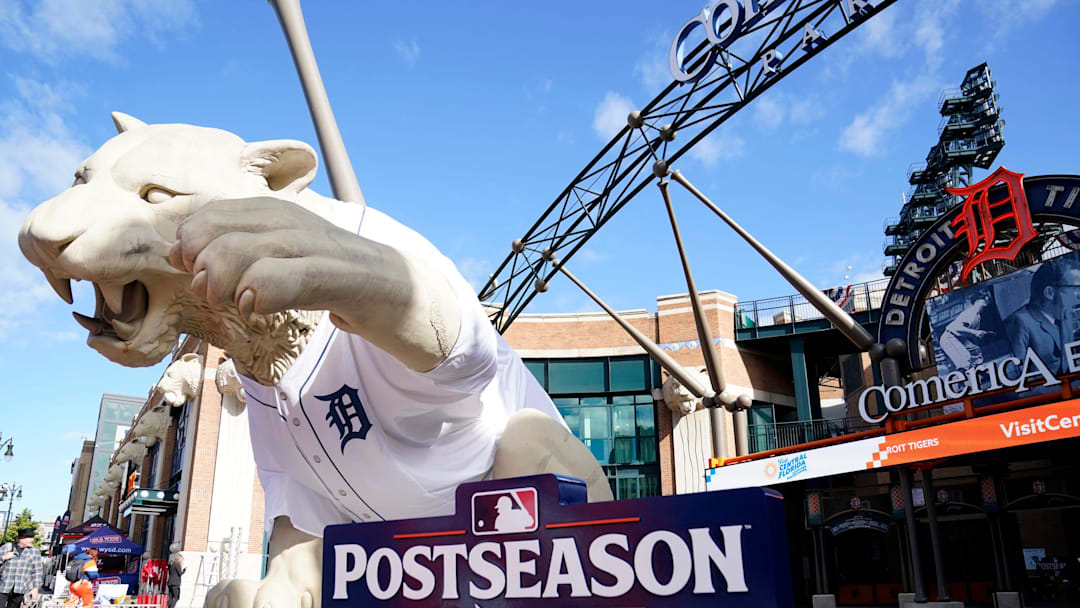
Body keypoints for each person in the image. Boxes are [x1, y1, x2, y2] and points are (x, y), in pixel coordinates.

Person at [1006, 264, 1080, 375]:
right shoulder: (1020, 321)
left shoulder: (1065, 314)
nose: (1076, 299)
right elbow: (1022, 375)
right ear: (1050, 293)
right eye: (1074, 290)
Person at [939, 290, 994, 370]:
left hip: (959, 338)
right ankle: (960, 381)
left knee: (976, 352)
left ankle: (981, 373)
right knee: (965, 359)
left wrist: (978, 335)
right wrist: (975, 332)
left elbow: (970, 334)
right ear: (977, 301)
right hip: (949, 337)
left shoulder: (978, 316)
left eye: (988, 299)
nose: (987, 301)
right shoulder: (971, 312)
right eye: (984, 298)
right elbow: (957, 328)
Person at [0, 528, 42, 608]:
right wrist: (3, 558)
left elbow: (37, 572)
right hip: (3, 586)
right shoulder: (7, 547)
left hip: (20, 589)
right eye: (29, 537)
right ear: (20, 538)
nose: (32, 540)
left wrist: (35, 588)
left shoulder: (34, 552)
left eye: (32, 537)